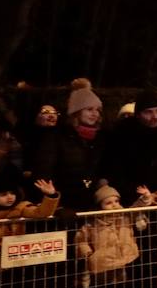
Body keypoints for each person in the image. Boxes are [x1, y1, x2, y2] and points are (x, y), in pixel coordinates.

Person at [75, 184, 148, 288]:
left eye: (116, 201)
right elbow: (81, 239)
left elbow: (138, 207)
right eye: (108, 203)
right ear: (99, 206)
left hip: (120, 261)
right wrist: (88, 253)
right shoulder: (92, 223)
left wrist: (145, 197)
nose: (114, 205)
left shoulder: (124, 217)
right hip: (101, 264)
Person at [32, 79, 106, 212]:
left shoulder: (100, 138)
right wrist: (56, 204)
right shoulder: (57, 136)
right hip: (63, 206)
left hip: (91, 205)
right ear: (76, 112)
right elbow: (44, 173)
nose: (95, 114)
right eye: (89, 109)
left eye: (97, 110)